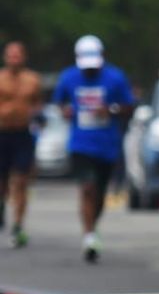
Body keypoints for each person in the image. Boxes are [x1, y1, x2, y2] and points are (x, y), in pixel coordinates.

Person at [52, 35, 135, 263]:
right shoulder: (68, 77)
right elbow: (59, 102)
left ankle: (93, 226)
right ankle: (88, 236)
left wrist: (112, 110)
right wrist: (65, 111)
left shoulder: (115, 77)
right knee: (87, 187)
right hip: (80, 143)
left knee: (99, 193)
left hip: (107, 145)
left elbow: (129, 106)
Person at [0, 41, 42, 248]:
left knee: (21, 181)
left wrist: (37, 119)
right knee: (2, 183)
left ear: (23, 57)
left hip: (22, 135)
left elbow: (37, 105)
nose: (14, 59)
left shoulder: (32, 80)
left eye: (17, 55)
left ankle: (18, 224)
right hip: (1, 133)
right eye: (10, 55)